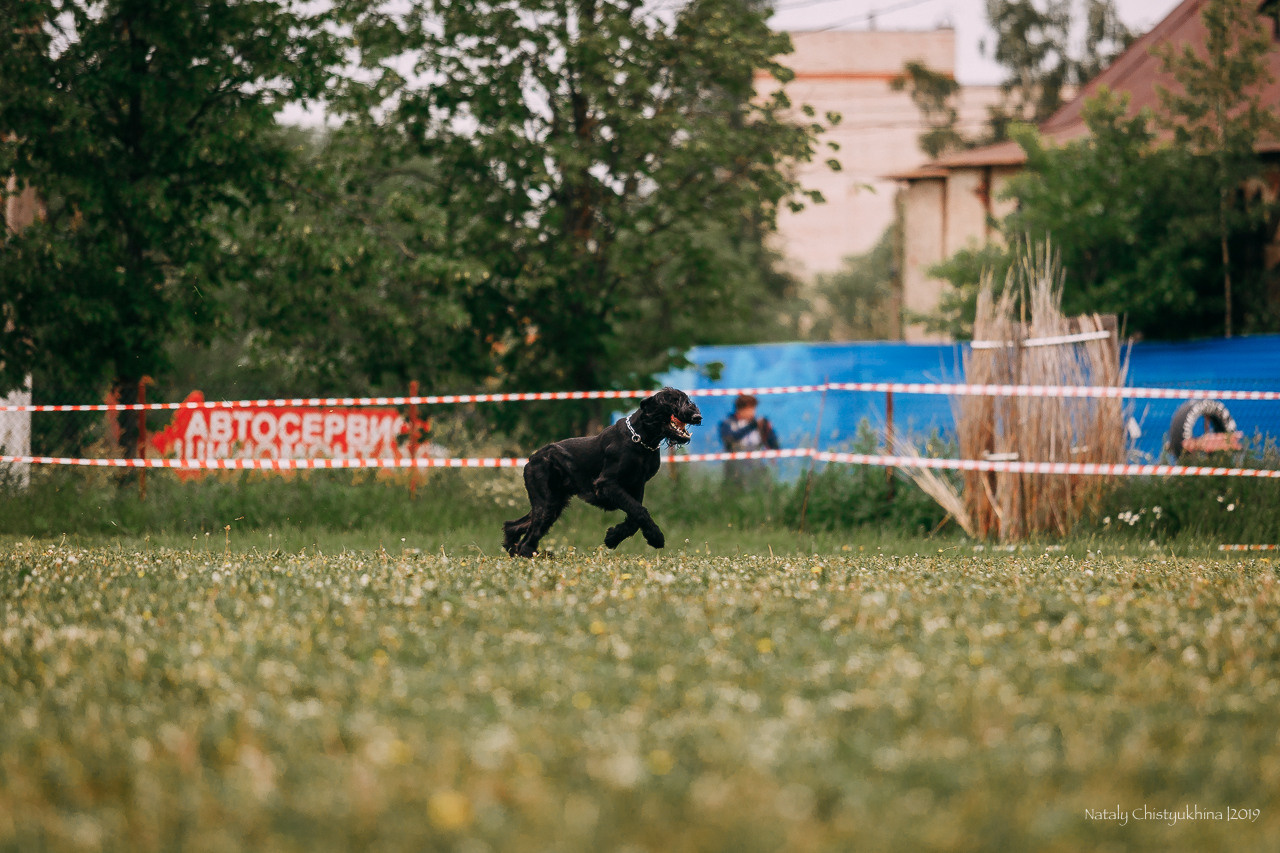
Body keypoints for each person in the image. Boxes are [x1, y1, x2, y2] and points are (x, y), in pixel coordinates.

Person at [718, 393, 780, 487]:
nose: (752, 412)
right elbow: (730, 438)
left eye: (753, 409)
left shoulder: (759, 424)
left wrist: (767, 429)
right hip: (735, 472)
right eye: (749, 409)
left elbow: (774, 445)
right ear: (740, 409)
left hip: (757, 470)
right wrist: (751, 426)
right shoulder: (728, 423)